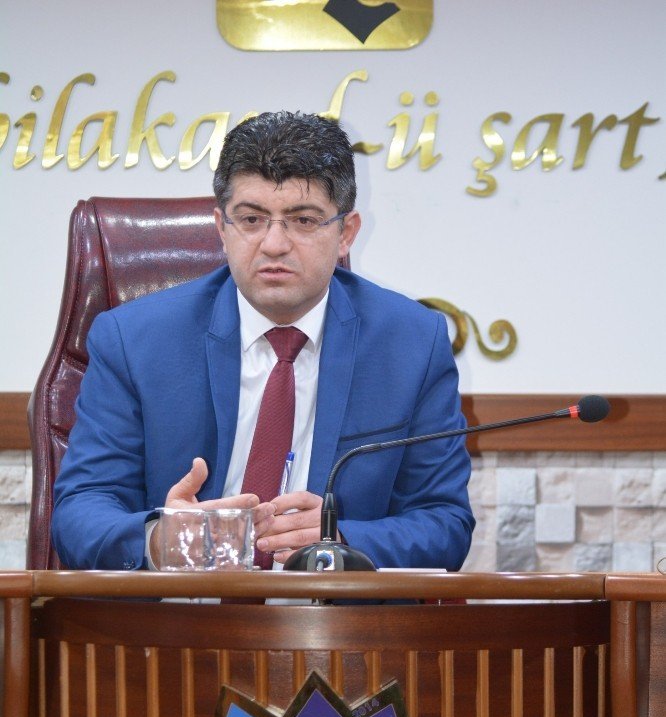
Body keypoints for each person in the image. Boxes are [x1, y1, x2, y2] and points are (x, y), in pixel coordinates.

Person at [51, 111, 474, 571]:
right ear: (222, 228)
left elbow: (445, 522)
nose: (274, 244)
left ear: (346, 233)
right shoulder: (134, 341)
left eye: (303, 220)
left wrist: (343, 540)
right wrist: (158, 540)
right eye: (251, 219)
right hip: (180, 611)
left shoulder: (412, 345)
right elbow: (80, 513)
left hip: (331, 614)